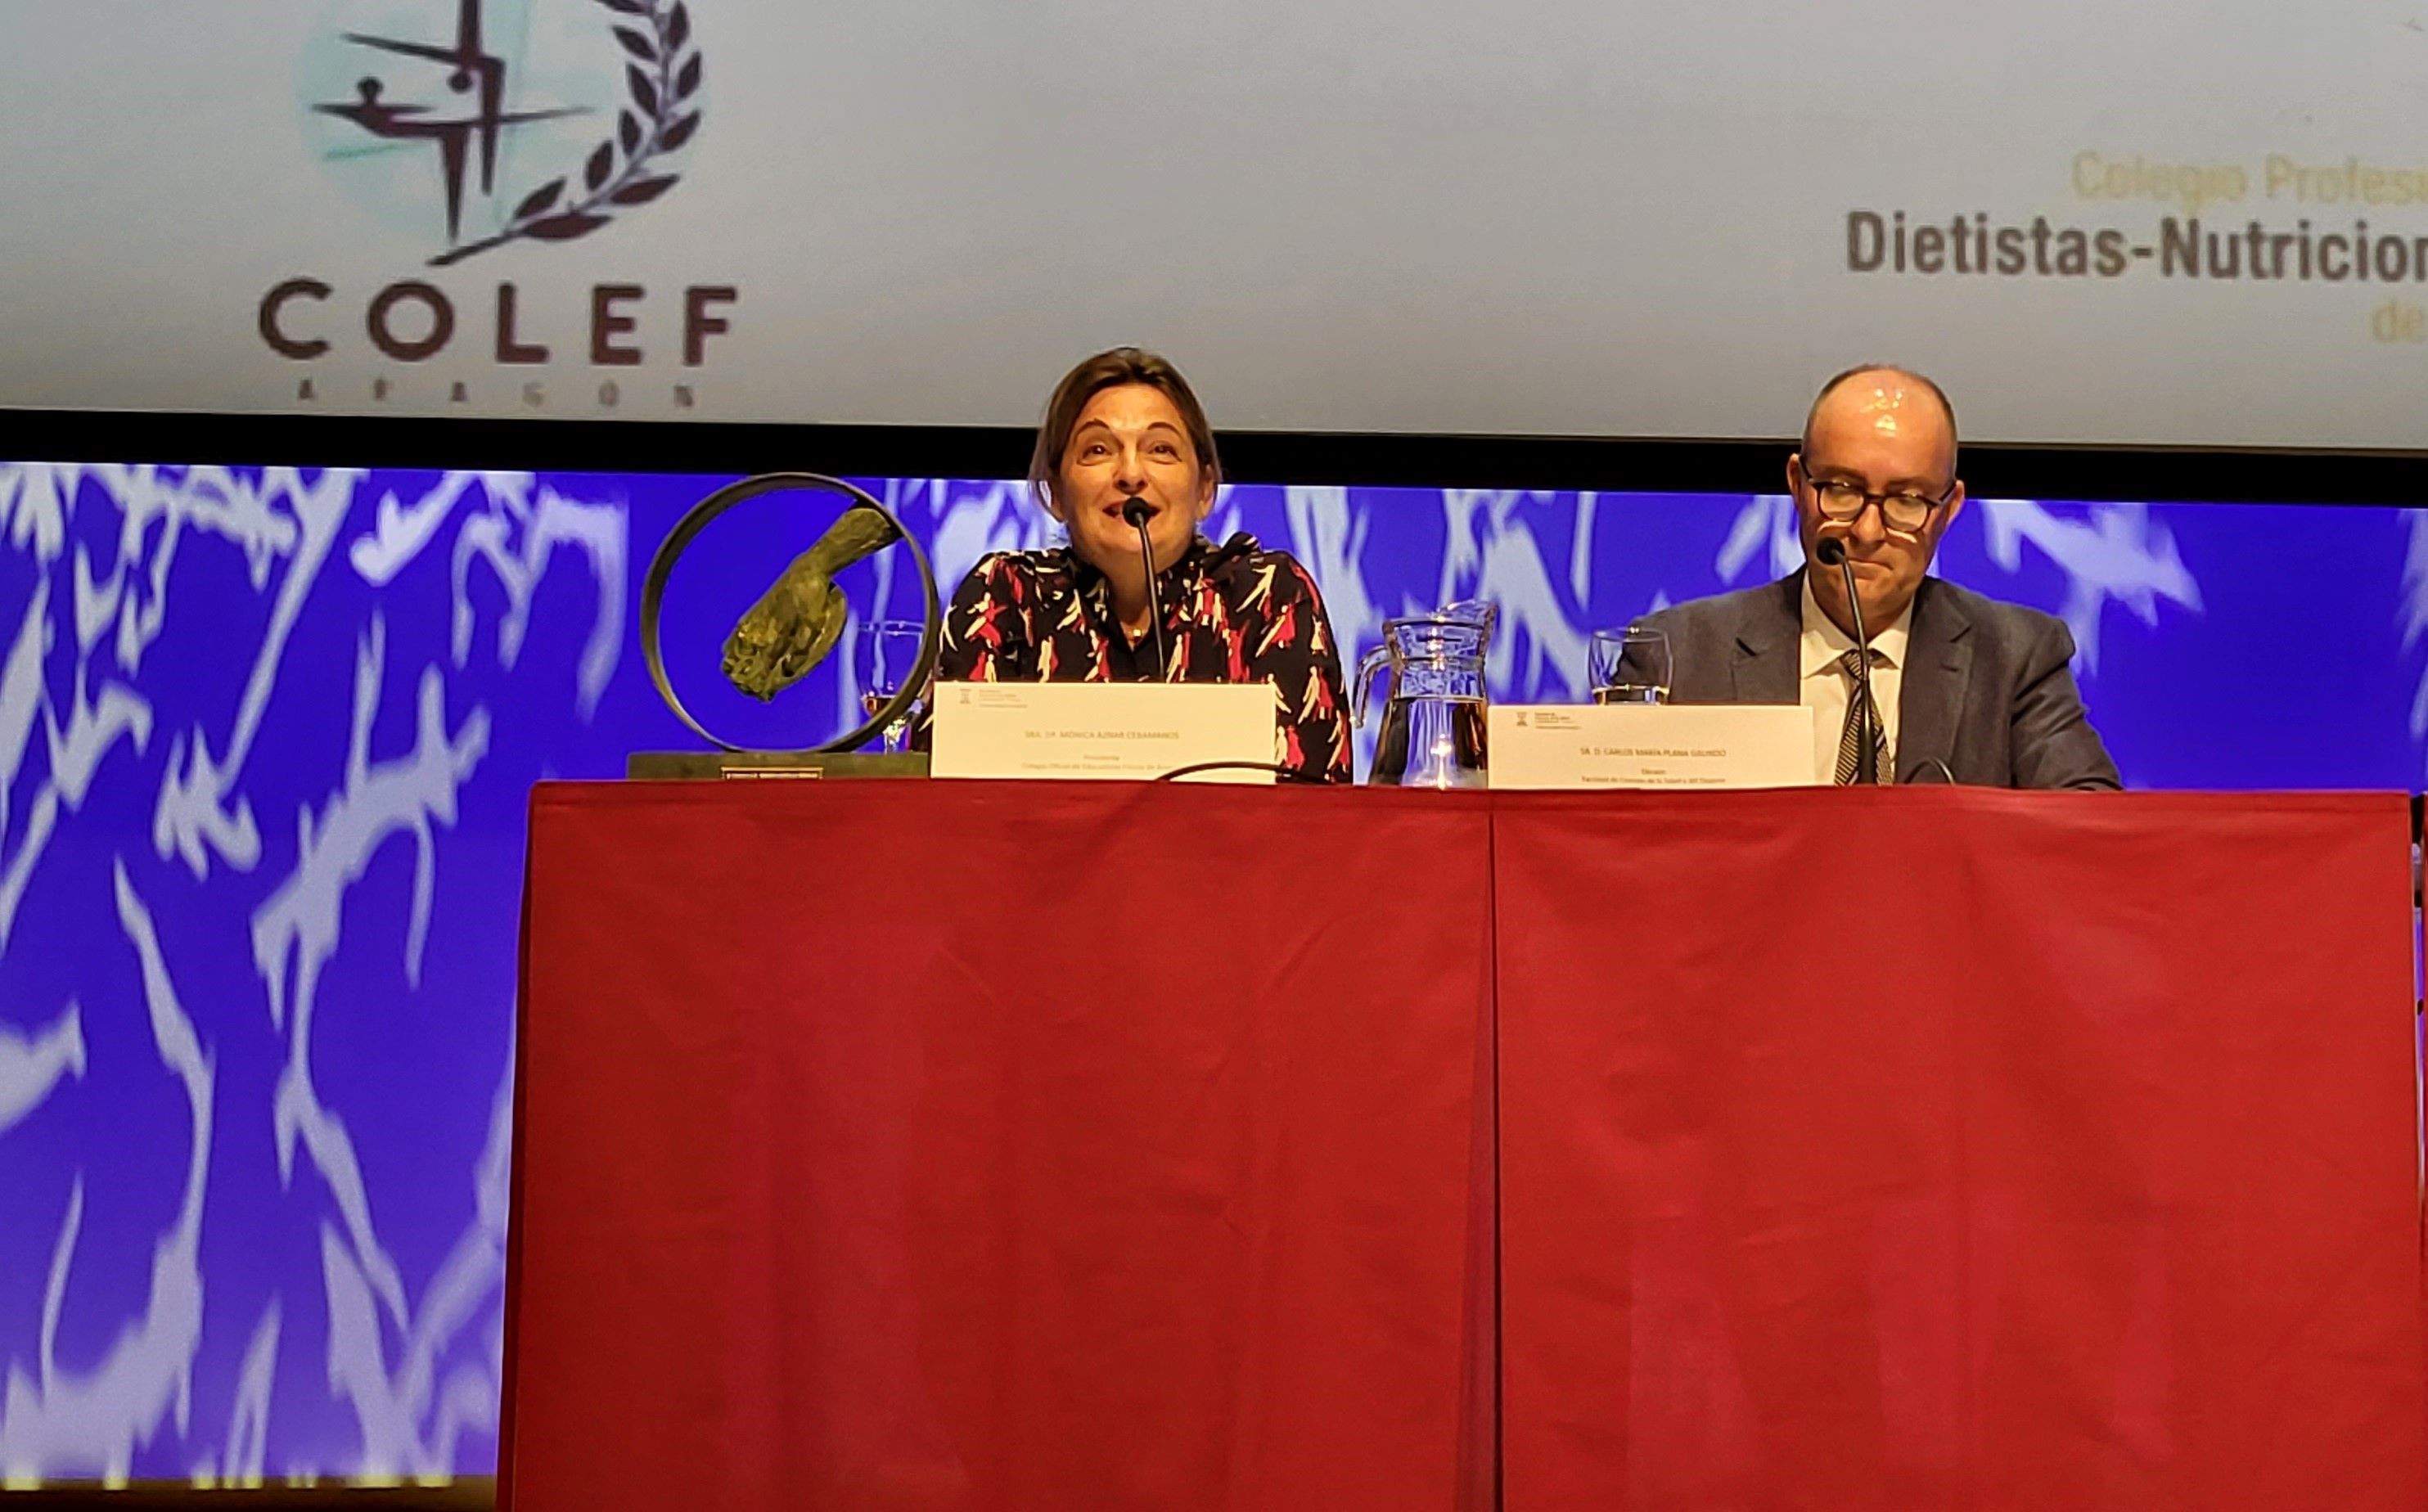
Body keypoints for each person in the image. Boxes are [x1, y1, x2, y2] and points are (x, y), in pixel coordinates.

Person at [1632, 364, 2120, 789]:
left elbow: (2087, 830)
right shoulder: (1677, 656)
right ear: (1798, 485)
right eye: (1843, 490)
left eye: (1907, 500)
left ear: (1948, 510)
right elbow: (1606, 843)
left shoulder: (2016, 658)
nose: (1867, 531)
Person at [932, 347, 1354, 782]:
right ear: (1056, 492)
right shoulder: (1005, 596)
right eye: (1097, 450)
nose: (1131, 474)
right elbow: (940, 796)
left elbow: (1314, 810)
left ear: (1205, 489)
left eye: (1161, 450)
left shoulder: (1266, 598)